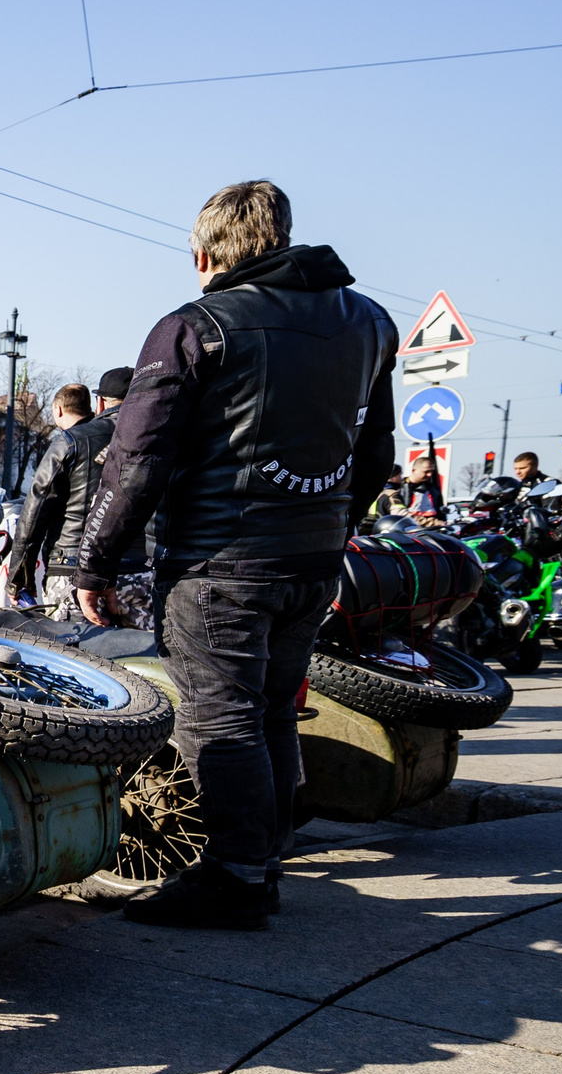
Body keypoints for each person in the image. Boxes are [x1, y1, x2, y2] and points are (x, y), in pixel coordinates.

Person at [75, 179, 397, 929]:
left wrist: (96, 562)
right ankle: (265, 857)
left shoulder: (196, 325)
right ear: (280, 238)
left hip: (220, 562)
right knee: (272, 712)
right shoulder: (370, 321)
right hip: (313, 560)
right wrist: (333, 521)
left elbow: (139, 458)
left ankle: (236, 876)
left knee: (219, 720)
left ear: (204, 254)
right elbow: (374, 450)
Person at [4, 371, 149, 627]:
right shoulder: (161, 442)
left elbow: (34, 513)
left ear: (100, 403)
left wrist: (18, 579)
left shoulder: (71, 441)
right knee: (141, 663)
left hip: (73, 570)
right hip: (140, 573)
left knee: (73, 658)